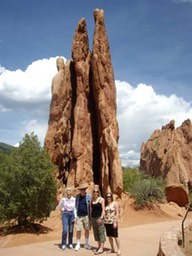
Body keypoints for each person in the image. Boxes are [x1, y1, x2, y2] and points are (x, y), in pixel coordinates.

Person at [74, 183, 92, 251]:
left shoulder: (89, 197)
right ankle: (78, 243)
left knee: (87, 229)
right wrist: (75, 216)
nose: (82, 190)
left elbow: (90, 206)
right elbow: (75, 206)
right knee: (78, 230)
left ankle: (86, 243)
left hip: (86, 216)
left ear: (85, 190)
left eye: (83, 189)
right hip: (79, 216)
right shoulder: (77, 197)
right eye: (81, 189)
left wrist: (90, 216)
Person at [104, 192, 121, 256]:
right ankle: (112, 248)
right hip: (107, 222)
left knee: (115, 236)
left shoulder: (115, 203)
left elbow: (117, 213)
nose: (108, 198)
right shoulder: (106, 204)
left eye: (109, 197)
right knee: (109, 236)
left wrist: (115, 222)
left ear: (111, 197)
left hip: (113, 222)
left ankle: (119, 249)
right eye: (107, 197)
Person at [91, 185, 106, 255]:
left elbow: (103, 209)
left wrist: (101, 217)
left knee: (101, 232)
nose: (95, 193)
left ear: (98, 192)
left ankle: (101, 248)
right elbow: (91, 209)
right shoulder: (92, 200)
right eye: (94, 191)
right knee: (96, 233)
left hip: (99, 218)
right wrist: (90, 218)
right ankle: (99, 246)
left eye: (96, 191)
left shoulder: (101, 199)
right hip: (93, 218)